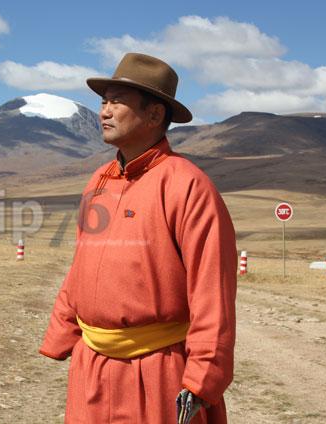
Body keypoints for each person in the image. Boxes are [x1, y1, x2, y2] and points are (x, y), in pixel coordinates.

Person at [40, 52, 237, 423]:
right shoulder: (98, 181)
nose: (104, 111)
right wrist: (63, 329)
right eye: (103, 101)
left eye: (117, 101)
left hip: (158, 369)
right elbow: (82, 262)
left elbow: (213, 289)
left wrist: (202, 378)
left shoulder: (188, 186)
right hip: (92, 367)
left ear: (154, 115)